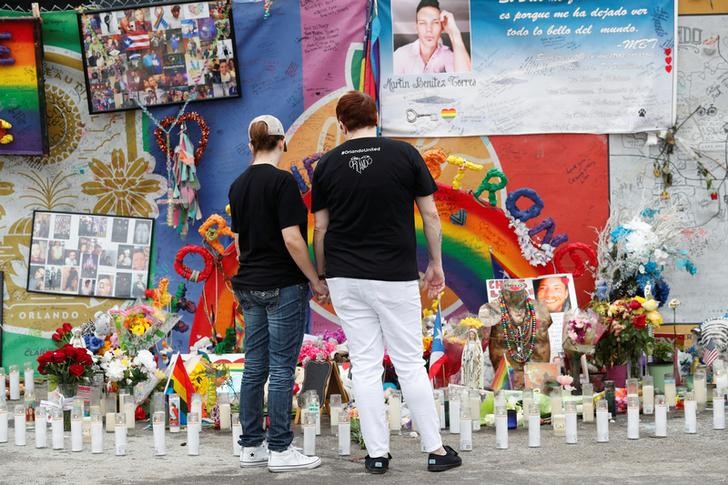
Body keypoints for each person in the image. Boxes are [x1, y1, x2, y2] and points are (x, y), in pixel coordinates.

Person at [311, 91, 461, 474]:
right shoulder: (404, 154)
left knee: (364, 366)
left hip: (345, 275)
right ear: (375, 118)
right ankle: (435, 450)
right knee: (409, 362)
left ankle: (377, 455)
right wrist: (436, 265)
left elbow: (321, 227)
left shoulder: (326, 165)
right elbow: (430, 215)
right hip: (393, 275)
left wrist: (324, 274)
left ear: (341, 126)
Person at [228, 115, 327, 472]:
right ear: (282, 142)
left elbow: (239, 245)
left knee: (255, 366)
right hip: (282, 285)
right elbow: (292, 239)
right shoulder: (283, 183)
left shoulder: (238, 186)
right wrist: (315, 279)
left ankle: (251, 446)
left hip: (249, 285)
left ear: (251, 145)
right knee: (283, 368)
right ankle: (282, 449)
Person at [393, 0, 471, 75]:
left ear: (442, 27)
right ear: (416, 27)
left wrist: (454, 32)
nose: (429, 29)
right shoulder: (400, 55)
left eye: (435, 22)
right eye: (423, 23)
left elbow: (466, 81)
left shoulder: (449, 55)